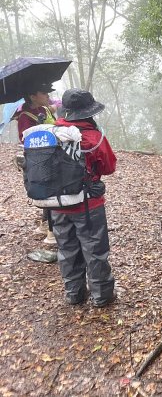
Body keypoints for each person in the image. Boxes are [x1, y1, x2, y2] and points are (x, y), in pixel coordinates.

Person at [52, 89, 117, 307]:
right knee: (95, 250)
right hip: (88, 205)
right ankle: (101, 295)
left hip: (57, 205)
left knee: (67, 249)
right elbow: (109, 167)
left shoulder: (51, 133)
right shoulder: (93, 137)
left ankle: (74, 293)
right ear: (88, 113)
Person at [17, 83, 58, 245]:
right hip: (37, 160)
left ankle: (45, 224)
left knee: (53, 188)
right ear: (33, 96)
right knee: (47, 189)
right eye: (43, 93)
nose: (47, 95)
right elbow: (24, 139)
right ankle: (50, 232)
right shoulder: (25, 116)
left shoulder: (46, 110)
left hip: (53, 154)